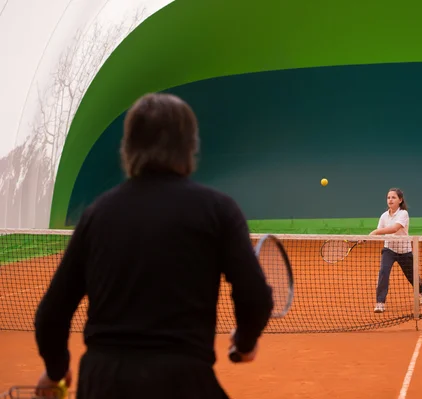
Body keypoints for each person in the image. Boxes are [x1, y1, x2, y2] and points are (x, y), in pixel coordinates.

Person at [33, 93, 274, 398]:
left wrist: (56, 372)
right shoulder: (219, 210)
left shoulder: (96, 214)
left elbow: (50, 316)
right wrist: (244, 343)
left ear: (128, 149)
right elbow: (256, 298)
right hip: (183, 380)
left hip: (102, 381)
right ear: (190, 149)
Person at [369, 188, 422, 313]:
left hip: (404, 250)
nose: (390, 200)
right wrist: (364, 238)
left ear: (400, 200)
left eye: (393, 197)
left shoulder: (403, 214)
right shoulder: (384, 216)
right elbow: (378, 232)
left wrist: (375, 231)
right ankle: (380, 303)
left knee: (412, 276)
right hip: (389, 249)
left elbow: (394, 228)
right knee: (383, 272)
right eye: (388, 197)